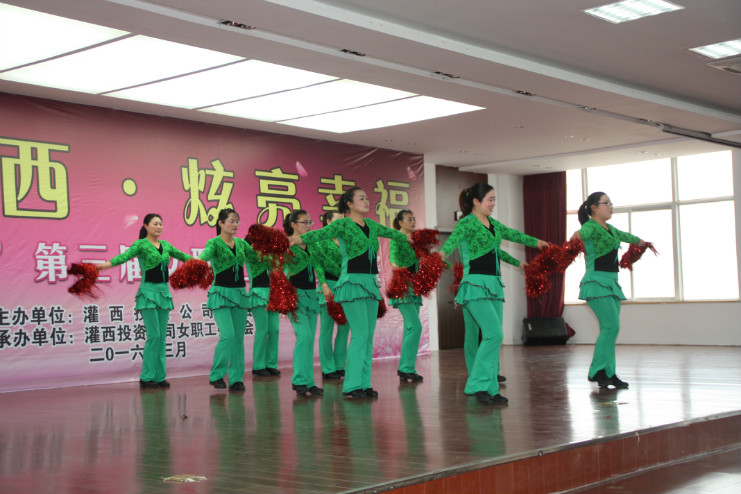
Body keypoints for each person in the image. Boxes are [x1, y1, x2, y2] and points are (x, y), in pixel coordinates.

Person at [292, 187, 409, 399]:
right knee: (360, 334)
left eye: (366, 198)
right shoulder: (342, 224)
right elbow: (318, 234)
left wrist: (407, 237)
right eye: (361, 198)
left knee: (368, 337)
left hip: (370, 284)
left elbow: (391, 232)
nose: (366, 201)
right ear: (349, 204)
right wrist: (296, 240)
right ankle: (352, 385)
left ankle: (364, 383)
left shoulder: (371, 224)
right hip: (351, 282)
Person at [439, 183, 548, 405]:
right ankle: (477, 384)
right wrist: (440, 254)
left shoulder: (494, 225)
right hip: (474, 284)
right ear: (476, 201)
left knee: (494, 337)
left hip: (494, 286)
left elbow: (513, 235)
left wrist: (537, 243)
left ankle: (491, 388)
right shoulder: (466, 223)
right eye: (490, 199)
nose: (493, 203)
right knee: (494, 334)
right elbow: (451, 242)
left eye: (494, 199)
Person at [96, 213, 191, 389]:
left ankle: (160, 376)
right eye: (155, 224)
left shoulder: (166, 245)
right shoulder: (140, 244)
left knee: (161, 338)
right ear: (146, 226)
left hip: (164, 293)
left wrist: (204, 264)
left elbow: (184, 256)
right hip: (148, 293)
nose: (159, 227)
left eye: (161, 224)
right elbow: (123, 257)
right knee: (154, 336)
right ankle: (146, 377)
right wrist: (103, 266)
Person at [571, 192, 645, 389]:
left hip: (612, 282)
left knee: (610, 330)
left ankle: (609, 373)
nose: (610, 207)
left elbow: (626, 236)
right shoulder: (590, 227)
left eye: (611, 203)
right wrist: (573, 243)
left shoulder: (610, 229)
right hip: (596, 282)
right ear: (594, 207)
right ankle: (597, 371)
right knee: (611, 327)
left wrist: (640, 242)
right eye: (606, 203)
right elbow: (577, 236)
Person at [198, 208, 254, 392]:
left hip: (240, 294)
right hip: (221, 294)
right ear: (221, 223)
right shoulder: (214, 242)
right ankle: (217, 375)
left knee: (238, 338)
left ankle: (236, 378)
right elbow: (204, 255)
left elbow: (256, 259)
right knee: (228, 335)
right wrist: (197, 263)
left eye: (237, 221)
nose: (235, 224)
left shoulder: (241, 243)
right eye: (231, 221)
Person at [284, 210, 324, 397]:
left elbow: (319, 266)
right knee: (304, 336)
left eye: (310, 222)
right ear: (293, 224)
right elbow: (281, 270)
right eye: (304, 222)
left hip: (311, 296)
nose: (308, 226)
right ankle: (299, 380)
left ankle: (309, 382)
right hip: (294, 296)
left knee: (309, 340)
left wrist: (324, 285)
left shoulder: (312, 244)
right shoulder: (287, 245)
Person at [308, 211, 350, 380]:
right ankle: (328, 368)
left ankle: (340, 365)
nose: (341, 224)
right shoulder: (319, 240)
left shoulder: (347, 241)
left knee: (344, 328)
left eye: (343, 221)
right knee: (327, 329)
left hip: (346, 287)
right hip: (328, 287)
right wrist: (324, 285)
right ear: (327, 221)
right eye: (337, 220)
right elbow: (317, 264)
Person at [389, 209, 425, 383]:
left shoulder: (415, 241)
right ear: (400, 222)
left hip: (414, 287)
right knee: (415, 326)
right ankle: (406, 368)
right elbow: (393, 257)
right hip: (402, 286)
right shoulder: (396, 238)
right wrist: (395, 266)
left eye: (413, 218)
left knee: (411, 328)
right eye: (409, 219)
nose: (412, 221)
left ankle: (407, 368)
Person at [244, 231, 281, 378]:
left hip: (273, 294)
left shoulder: (270, 255)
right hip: (259, 294)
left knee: (274, 329)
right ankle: (258, 366)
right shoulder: (251, 255)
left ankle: (271, 364)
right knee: (263, 329)